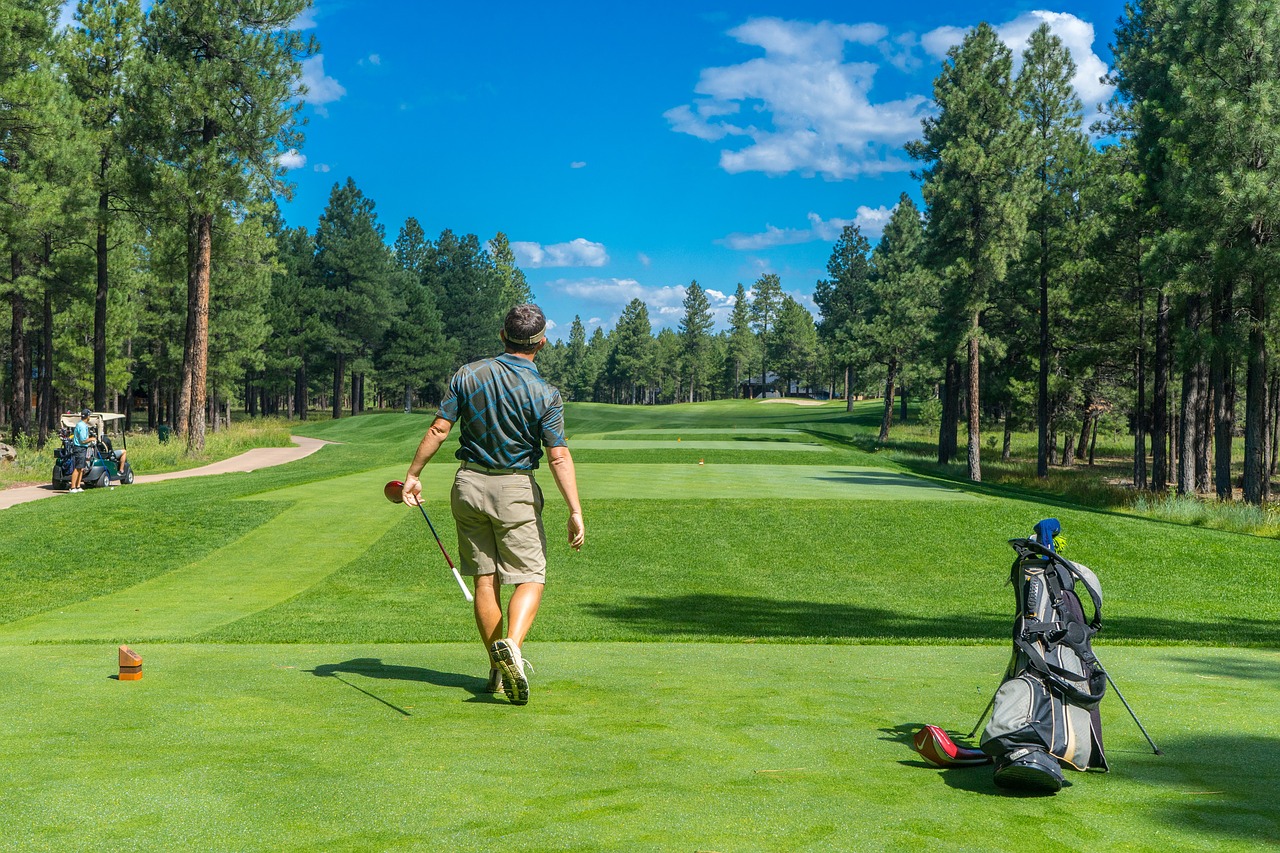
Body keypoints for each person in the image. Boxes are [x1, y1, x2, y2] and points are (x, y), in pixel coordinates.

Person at [402, 304, 584, 706]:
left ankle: (498, 669)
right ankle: (513, 650)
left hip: (467, 485)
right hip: (514, 488)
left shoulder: (467, 374)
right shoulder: (546, 394)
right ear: (542, 341)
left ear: (503, 335)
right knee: (530, 576)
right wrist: (574, 509)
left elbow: (439, 428)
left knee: (486, 579)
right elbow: (557, 456)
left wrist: (414, 474)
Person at [68, 409, 96, 493]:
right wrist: (92, 438)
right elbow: (83, 440)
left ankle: (78, 486)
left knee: (81, 468)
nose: (90, 417)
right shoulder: (82, 426)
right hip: (80, 448)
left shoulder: (81, 424)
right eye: (89, 415)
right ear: (87, 416)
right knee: (78, 468)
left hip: (82, 448)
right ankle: (73, 487)